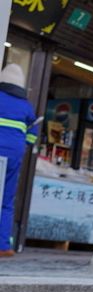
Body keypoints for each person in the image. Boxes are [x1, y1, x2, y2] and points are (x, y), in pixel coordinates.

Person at [0, 65, 37, 257]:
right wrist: (22, 145)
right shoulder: (26, 106)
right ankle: (4, 245)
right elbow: (32, 135)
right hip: (14, 155)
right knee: (6, 200)